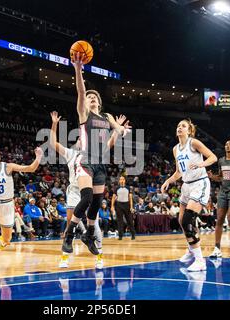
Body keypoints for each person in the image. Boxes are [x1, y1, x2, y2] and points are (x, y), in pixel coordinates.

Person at [60, 52, 131, 260]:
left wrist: (121, 131)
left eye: (94, 97)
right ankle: (69, 233)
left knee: (97, 203)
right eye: (89, 97)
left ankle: (90, 234)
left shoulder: (106, 116)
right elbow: (80, 91)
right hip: (86, 160)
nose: (90, 98)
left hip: (101, 162)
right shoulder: (85, 114)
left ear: (99, 101)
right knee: (87, 197)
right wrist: (77, 69)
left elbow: (113, 136)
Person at [50, 111, 124, 269]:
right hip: (75, 191)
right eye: (78, 139)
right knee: (71, 221)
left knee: (94, 224)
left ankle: (98, 255)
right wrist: (55, 124)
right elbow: (53, 143)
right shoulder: (70, 154)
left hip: (90, 189)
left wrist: (118, 130)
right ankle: (65, 256)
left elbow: (108, 144)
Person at [161, 119, 217, 272]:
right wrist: (168, 181)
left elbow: (213, 157)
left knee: (188, 220)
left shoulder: (194, 143)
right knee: (181, 221)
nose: (180, 128)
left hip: (200, 183)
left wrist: (201, 164)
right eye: (178, 125)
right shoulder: (175, 149)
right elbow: (179, 172)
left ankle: (200, 261)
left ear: (189, 130)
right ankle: (191, 249)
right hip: (186, 185)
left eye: (183, 126)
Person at [111, 176, 135, 240]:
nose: (122, 180)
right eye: (120, 179)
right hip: (119, 205)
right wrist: (112, 206)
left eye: (123, 179)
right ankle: (120, 236)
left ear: (124, 180)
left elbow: (130, 198)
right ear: (119, 181)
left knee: (129, 220)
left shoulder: (128, 188)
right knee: (120, 221)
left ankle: (133, 234)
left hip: (127, 204)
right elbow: (113, 197)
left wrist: (131, 207)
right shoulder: (116, 188)